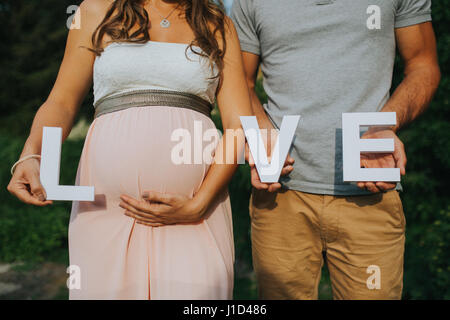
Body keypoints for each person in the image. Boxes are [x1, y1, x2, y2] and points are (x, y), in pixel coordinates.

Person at [7, 0, 253, 299]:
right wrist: (33, 154)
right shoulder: (96, 10)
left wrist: (199, 203)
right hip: (105, 209)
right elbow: (61, 102)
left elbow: (238, 126)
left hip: (197, 212)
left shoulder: (217, 24)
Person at [231, 0, 440, 299]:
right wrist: (262, 130)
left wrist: (383, 126)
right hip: (281, 196)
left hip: (370, 193)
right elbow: (240, 81)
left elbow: (423, 66)